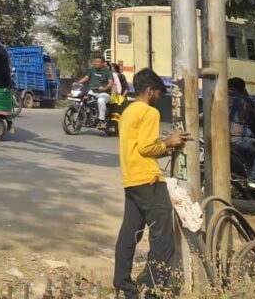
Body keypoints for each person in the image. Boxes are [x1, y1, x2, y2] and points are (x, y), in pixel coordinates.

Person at [113, 68, 189, 299]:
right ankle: (153, 292)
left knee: (130, 233)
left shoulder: (128, 111)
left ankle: (123, 284)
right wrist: (169, 141)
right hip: (149, 180)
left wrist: (164, 149)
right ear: (149, 91)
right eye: (158, 93)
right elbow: (147, 146)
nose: (159, 98)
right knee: (164, 240)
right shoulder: (149, 112)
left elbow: (137, 148)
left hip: (132, 179)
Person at [228, 77, 255, 192]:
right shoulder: (243, 100)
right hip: (236, 137)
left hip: (218, 137)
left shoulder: (218, 97)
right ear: (242, 89)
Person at [76, 55, 113, 129]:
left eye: (98, 62)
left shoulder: (108, 72)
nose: (96, 63)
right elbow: (86, 78)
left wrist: (105, 88)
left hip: (104, 94)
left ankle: (102, 121)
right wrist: (77, 83)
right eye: (95, 62)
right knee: (82, 98)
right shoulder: (92, 70)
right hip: (93, 92)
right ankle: (83, 116)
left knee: (100, 101)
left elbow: (110, 83)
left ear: (103, 63)